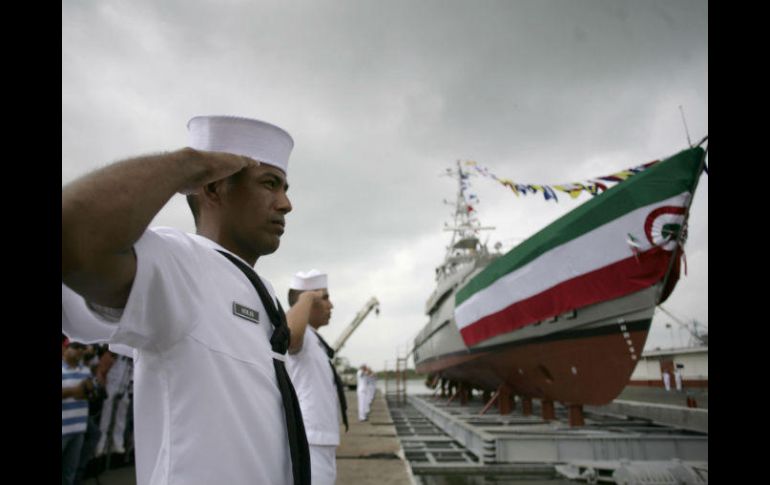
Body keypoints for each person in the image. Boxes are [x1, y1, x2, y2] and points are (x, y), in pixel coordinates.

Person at [62, 115, 310, 485]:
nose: (286, 203)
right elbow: (74, 236)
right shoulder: (181, 262)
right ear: (212, 188)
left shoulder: (262, 291)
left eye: (285, 187)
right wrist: (190, 164)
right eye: (270, 184)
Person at [285, 269, 348, 485]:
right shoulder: (301, 337)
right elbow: (289, 336)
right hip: (309, 440)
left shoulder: (315, 340)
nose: (331, 306)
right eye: (325, 298)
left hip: (322, 440)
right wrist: (308, 297)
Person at [62, 341, 93, 485]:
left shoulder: (85, 371)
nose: (79, 350)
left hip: (79, 427)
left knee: (69, 473)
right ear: (65, 348)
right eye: (75, 347)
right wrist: (74, 391)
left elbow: (89, 395)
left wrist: (88, 391)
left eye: (82, 347)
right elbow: (79, 392)